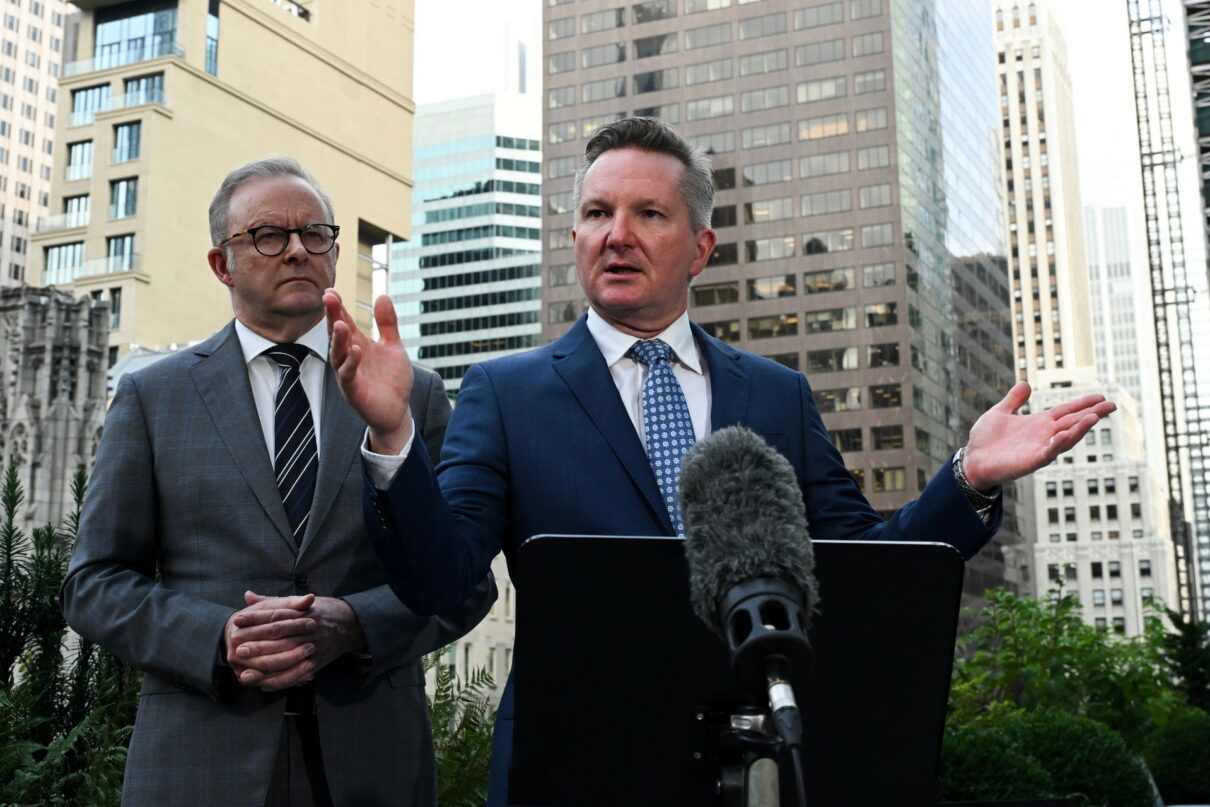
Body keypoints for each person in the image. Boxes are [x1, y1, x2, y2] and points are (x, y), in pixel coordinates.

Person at [324, 118, 1115, 804]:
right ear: (574, 240)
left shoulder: (777, 394)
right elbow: (445, 580)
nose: (616, 233)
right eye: (597, 213)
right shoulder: (506, 392)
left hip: (758, 762)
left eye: (648, 213)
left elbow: (860, 565)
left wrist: (967, 478)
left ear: (700, 246)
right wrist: (394, 438)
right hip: (575, 768)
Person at [60, 157, 494, 807]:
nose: (296, 249)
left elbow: (466, 583)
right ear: (221, 264)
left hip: (372, 765)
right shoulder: (153, 397)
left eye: (314, 233)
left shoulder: (413, 395)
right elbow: (93, 582)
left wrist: (356, 622)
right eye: (268, 235)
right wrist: (217, 636)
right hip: (198, 763)